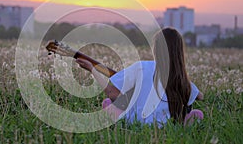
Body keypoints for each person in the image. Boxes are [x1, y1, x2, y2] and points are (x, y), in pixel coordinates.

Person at [76, 27, 204, 126]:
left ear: (156, 49)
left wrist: (92, 70)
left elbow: (112, 93)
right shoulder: (182, 80)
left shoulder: (141, 67)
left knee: (108, 103)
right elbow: (200, 96)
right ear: (179, 51)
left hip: (137, 124)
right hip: (167, 126)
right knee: (197, 114)